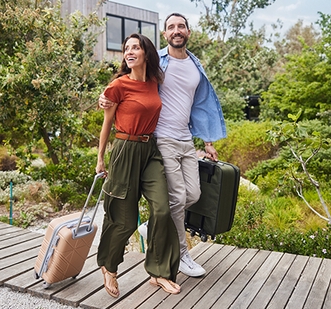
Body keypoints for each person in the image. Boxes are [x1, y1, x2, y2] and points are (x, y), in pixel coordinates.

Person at [99, 13, 227, 278]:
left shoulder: (195, 64)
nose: (176, 31)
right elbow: (129, 80)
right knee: (177, 199)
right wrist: (105, 97)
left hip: (186, 139)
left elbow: (199, 105)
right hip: (162, 139)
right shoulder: (156, 61)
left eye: (181, 26)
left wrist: (208, 141)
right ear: (164, 34)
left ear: (188, 33)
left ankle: (151, 225)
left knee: (193, 195)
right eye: (171, 27)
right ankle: (182, 255)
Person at [95, 33, 181, 298]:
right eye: (126, 48)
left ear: (146, 53)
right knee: (124, 218)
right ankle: (109, 267)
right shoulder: (118, 86)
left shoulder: (155, 82)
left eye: (136, 47)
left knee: (162, 210)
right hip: (125, 150)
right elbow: (106, 123)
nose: (130, 51)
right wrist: (100, 158)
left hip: (150, 151)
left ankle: (159, 272)